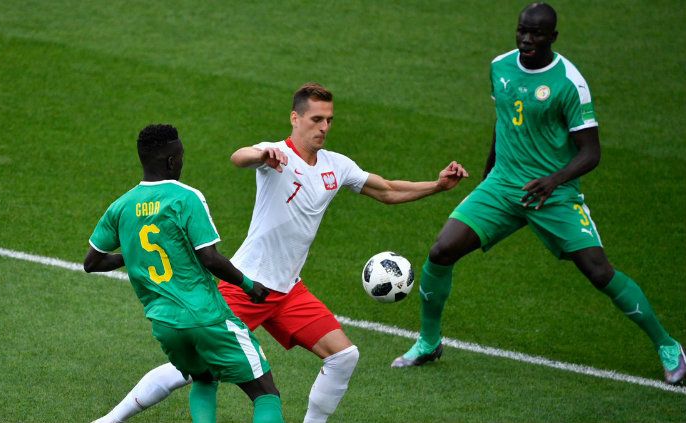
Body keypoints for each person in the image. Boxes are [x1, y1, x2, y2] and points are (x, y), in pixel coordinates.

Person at [93, 83, 468, 423]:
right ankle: (111, 419)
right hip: (247, 285)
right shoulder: (276, 156)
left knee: (344, 356)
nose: (324, 127)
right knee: (189, 370)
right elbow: (240, 158)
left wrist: (437, 186)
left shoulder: (336, 166)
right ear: (295, 118)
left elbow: (386, 190)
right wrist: (262, 152)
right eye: (316, 119)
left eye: (329, 120)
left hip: (288, 291)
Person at [391, 2, 686, 385]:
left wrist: (553, 181)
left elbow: (591, 153)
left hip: (553, 195)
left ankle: (668, 345)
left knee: (598, 271)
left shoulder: (568, 83)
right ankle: (429, 343)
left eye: (536, 34)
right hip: (502, 186)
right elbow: (504, 123)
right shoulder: (500, 67)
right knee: (440, 251)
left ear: (553, 37)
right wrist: (487, 178)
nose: (527, 39)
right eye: (522, 31)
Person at [84, 123, 285, 422]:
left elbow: (92, 263)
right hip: (205, 316)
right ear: (171, 161)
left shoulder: (121, 207)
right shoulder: (186, 197)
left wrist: (130, 253)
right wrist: (248, 285)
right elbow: (210, 258)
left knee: (204, 378)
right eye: (181, 156)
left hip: (165, 324)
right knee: (265, 393)